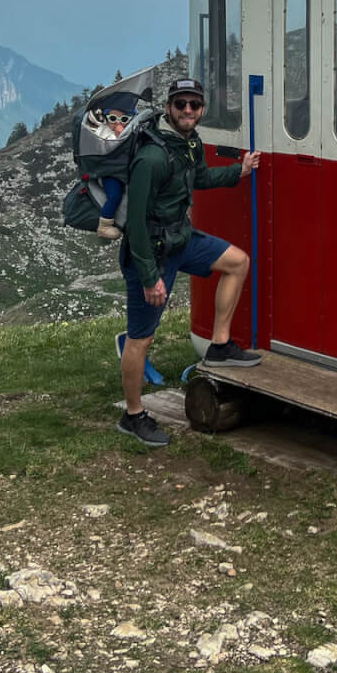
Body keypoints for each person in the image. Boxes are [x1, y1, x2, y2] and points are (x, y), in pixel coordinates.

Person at [116, 77, 261, 448]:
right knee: (140, 338)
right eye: (180, 104)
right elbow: (135, 224)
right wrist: (150, 279)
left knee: (237, 262)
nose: (187, 111)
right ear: (169, 108)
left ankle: (220, 344)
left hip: (181, 240)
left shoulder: (189, 144)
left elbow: (200, 178)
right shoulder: (152, 157)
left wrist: (239, 172)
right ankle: (132, 415)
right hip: (149, 253)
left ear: (201, 110)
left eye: (194, 105)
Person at [93, 106, 131, 240]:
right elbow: (108, 147)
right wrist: (118, 135)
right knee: (115, 195)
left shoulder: (131, 130)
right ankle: (104, 225)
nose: (117, 123)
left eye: (124, 119)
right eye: (113, 119)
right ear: (106, 119)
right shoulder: (103, 132)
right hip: (109, 173)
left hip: (122, 171)